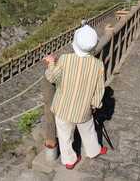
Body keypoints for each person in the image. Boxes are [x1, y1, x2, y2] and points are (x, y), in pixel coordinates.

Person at [44, 21, 107, 169]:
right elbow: (99, 89)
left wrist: (52, 63)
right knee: (89, 130)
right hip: (84, 109)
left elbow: (51, 77)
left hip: (62, 108)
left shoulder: (65, 59)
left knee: (65, 136)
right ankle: (94, 150)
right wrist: (95, 105)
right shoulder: (98, 65)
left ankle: (69, 160)